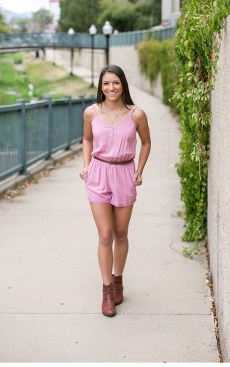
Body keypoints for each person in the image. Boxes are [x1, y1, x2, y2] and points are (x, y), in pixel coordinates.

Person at [79, 65, 151, 317]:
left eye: (116, 83)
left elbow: (146, 142)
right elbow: (87, 139)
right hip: (98, 174)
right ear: (100, 86)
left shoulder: (136, 114)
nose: (111, 88)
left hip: (123, 174)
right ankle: (107, 292)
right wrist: (86, 165)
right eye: (106, 83)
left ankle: (118, 280)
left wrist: (139, 170)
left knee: (121, 233)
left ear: (123, 85)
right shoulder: (90, 112)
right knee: (105, 234)